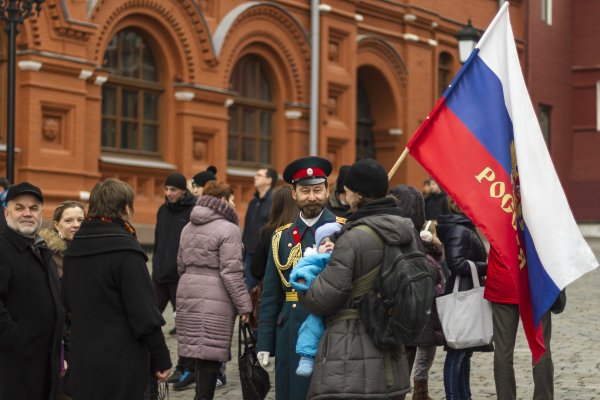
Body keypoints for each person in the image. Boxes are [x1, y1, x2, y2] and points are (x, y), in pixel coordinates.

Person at [301, 158, 414, 399]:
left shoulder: (352, 238)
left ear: (359, 194)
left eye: (349, 190)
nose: (346, 194)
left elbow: (322, 299)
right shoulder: (406, 230)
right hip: (392, 350)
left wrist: (307, 280)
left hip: (349, 351)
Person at [62, 178, 171, 400]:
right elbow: (144, 313)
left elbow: (67, 301)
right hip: (123, 360)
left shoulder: (74, 249)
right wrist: (161, 357)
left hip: (85, 358)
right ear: (124, 208)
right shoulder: (125, 250)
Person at [257, 156, 344, 400]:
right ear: (293, 193)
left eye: (318, 190)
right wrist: (264, 342)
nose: (312, 197)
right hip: (290, 331)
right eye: (305, 191)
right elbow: (270, 295)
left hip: (333, 326)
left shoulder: (344, 231)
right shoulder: (280, 237)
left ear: (327, 191)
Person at [176, 180, 252, 400]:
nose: (234, 204)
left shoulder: (187, 226)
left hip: (188, 289)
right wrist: (245, 306)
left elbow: (180, 264)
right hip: (215, 295)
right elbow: (231, 272)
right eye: (231, 199)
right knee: (210, 355)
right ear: (221, 200)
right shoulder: (229, 229)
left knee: (199, 353)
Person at [0, 182, 64, 400]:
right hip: (13, 368)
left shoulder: (41, 248)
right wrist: (17, 341)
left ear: (41, 213)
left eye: (34, 208)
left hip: (44, 364)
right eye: (20, 208)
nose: (27, 213)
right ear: (7, 212)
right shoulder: (3, 248)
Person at [389, 185, 446, 400]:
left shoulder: (407, 229)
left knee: (411, 353)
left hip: (411, 307)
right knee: (405, 356)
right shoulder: (406, 231)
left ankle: (417, 393)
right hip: (408, 306)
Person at [437, 197, 492, 400]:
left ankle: (464, 395)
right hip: (463, 294)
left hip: (468, 291)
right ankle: (454, 396)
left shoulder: (463, 226)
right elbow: (457, 264)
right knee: (458, 350)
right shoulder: (460, 230)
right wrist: (487, 268)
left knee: (465, 350)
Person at [485, 244, 556, 400]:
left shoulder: (498, 217)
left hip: (504, 278)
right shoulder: (541, 217)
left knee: (503, 350)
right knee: (541, 346)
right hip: (535, 280)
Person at [151, 173, 197, 389]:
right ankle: (150, 362)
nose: (168, 193)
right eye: (166, 188)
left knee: (185, 326)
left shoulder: (192, 211)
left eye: (173, 190)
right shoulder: (162, 210)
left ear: (183, 191)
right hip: (159, 278)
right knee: (148, 318)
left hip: (181, 279)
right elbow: (158, 242)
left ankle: (184, 367)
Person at [39, 200, 86, 400]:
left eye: (80, 220)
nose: (76, 224)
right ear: (56, 225)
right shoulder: (48, 256)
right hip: (62, 339)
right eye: (69, 220)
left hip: (87, 337)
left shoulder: (90, 251)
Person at [289, 222, 342, 377]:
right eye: (323, 243)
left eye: (332, 241)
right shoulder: (316, 260)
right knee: (310, 328)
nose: (328, 245)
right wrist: (303, 280)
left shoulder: (348, 258)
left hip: (341, 307)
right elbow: (304, 269)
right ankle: (306, 358)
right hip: (320, 304)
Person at [250, 186, 298, 281]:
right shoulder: (303, 227)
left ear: (275, 205)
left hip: (272, 287)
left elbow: (256, 269)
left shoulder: (268, 230)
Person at [242, 167, 278, 291]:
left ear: (268, 180)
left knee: (262, 291)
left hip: (265, 255)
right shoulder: (253, 202)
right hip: (249, 254)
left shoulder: (274, 201)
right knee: (248, 291)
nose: (255, 177)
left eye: (259, 175)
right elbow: (247, 229)